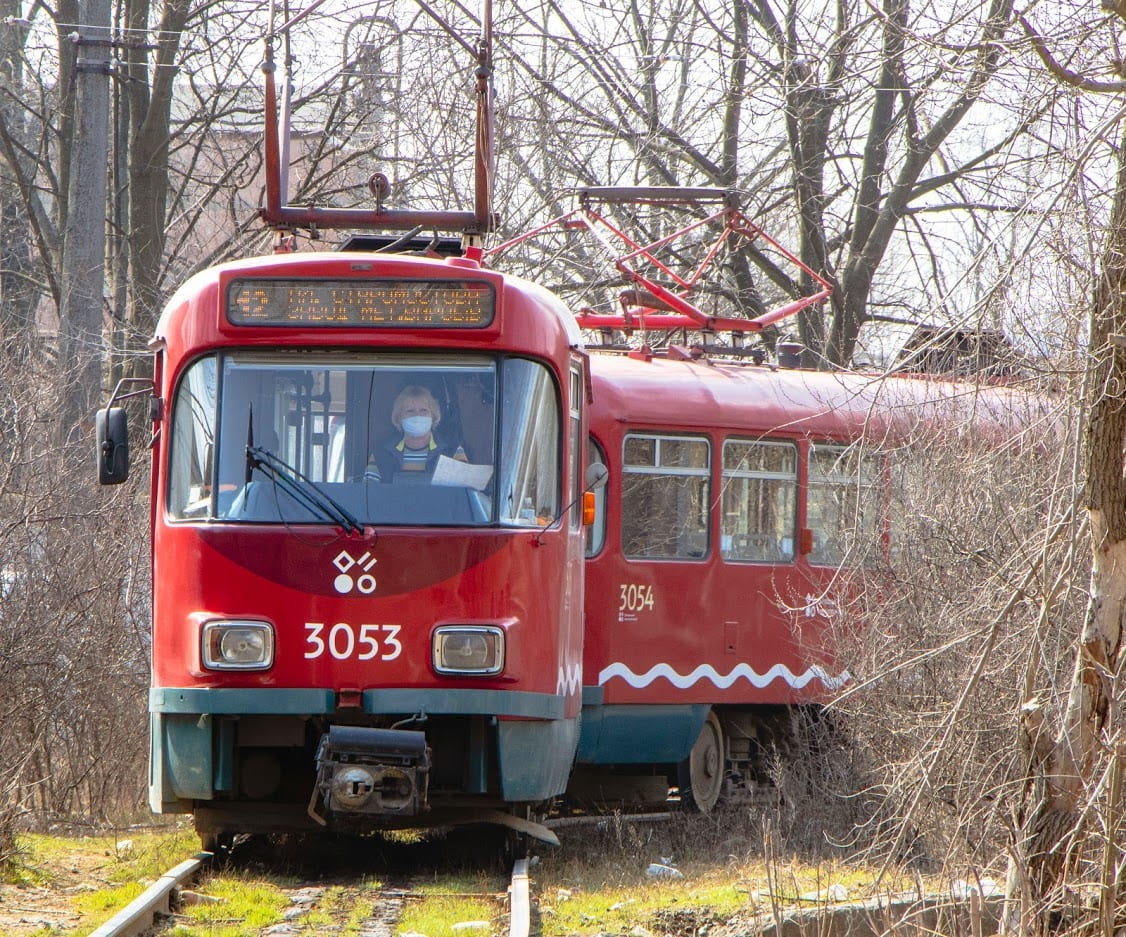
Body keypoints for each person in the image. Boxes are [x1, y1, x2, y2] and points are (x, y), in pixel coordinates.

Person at [364, 384, 466, 483]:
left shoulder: (453, 451)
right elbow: (367, 490)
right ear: (398, 418)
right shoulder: (382, 453)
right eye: (410, 411)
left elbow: (465, 489)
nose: (417, 415)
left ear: (433, 416)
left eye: (423, 410)